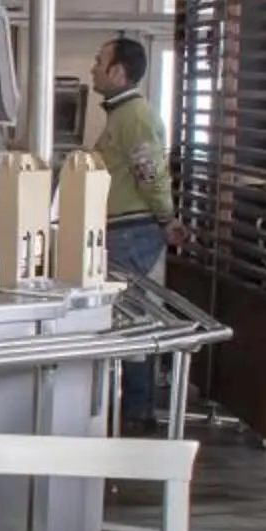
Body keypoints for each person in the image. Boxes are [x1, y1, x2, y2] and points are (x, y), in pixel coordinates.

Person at [92, 35, 183, 427]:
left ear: (118, 71)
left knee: (133, 319)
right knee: (129, 316)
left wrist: (167, 219)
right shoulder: (122, 114)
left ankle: (136, 411)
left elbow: (151, 173)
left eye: (99, 61)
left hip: (133, 230)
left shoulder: (135, 116)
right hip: (123, 229)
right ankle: (132, 409)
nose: (93, 67)